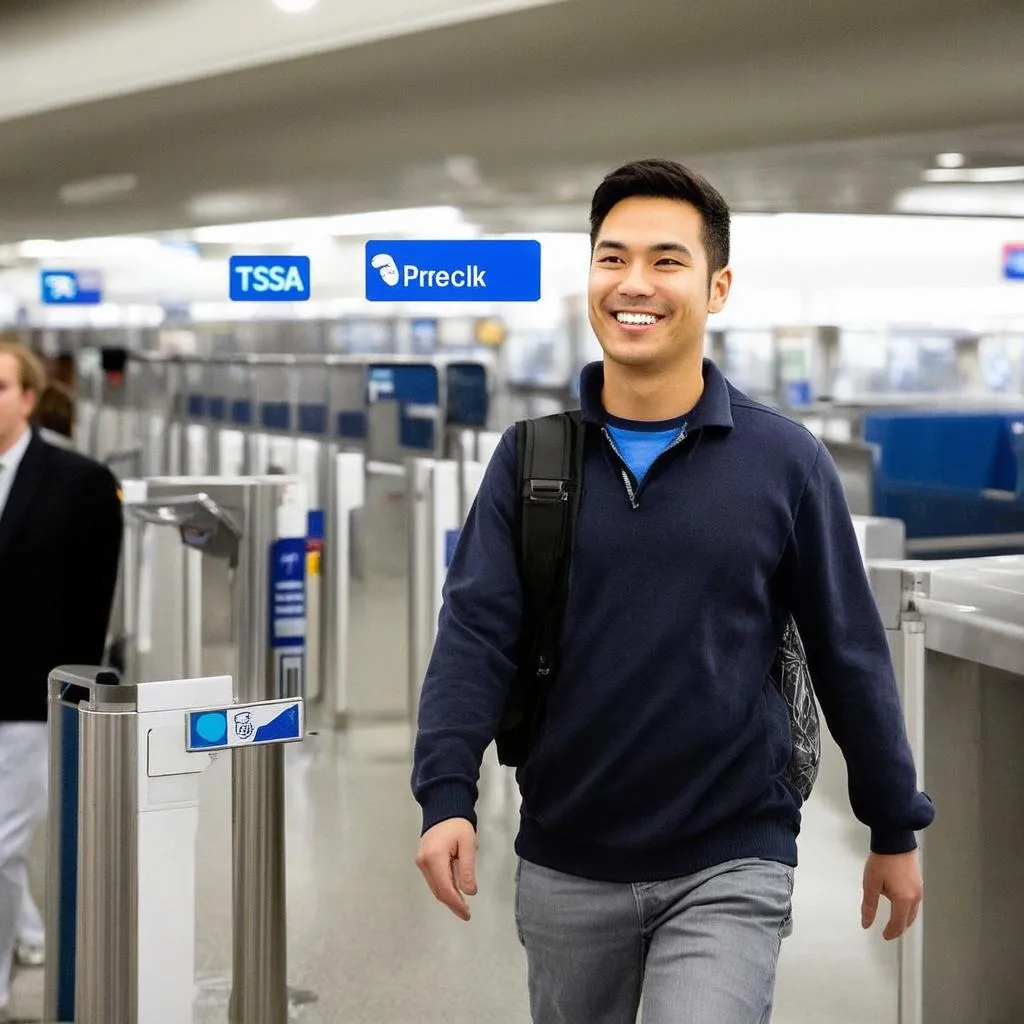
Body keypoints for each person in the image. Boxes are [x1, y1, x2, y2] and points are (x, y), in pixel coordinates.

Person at [411, 159, 935, 1023]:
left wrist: (892, 822)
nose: (634, 285)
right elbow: (475, 636)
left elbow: (848, 650)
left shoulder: (785, 462)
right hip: (566, 858)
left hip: (731, 855)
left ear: (717, 286)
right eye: (612, 259)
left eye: (666, 260)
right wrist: (445, 796)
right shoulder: (530, 462)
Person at [0, 337, 123, 1022]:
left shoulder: (78, 482)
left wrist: (75, 698)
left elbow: (90, 605)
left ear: (27, 396)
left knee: (0, 845)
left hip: (27, 698)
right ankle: (31, 930)